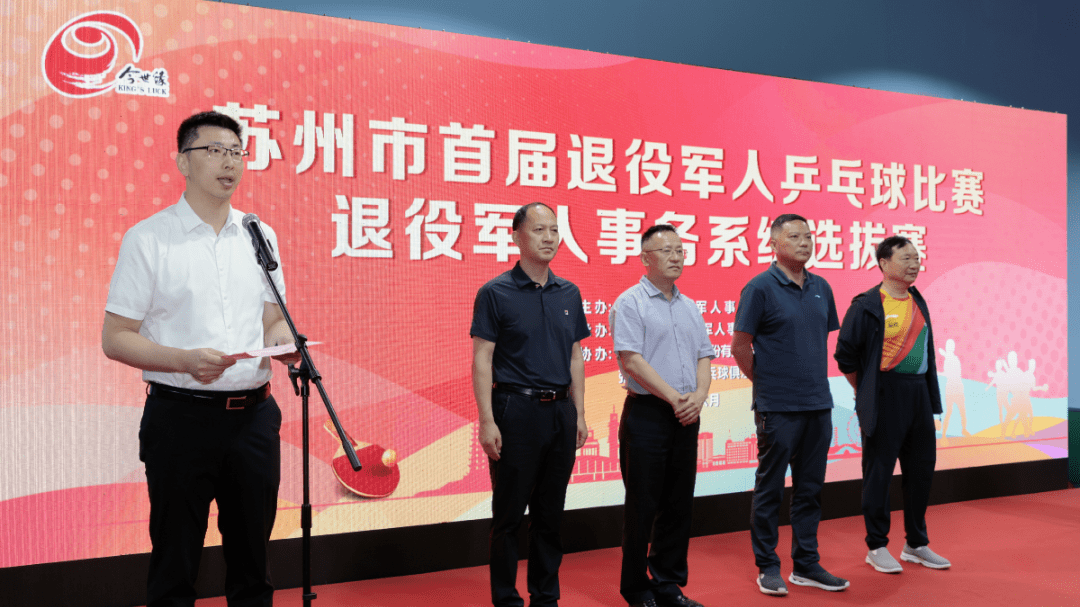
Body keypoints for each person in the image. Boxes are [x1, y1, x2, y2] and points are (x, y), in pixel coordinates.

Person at [102, 111, 299, 607]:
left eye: (236, 152)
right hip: (180, 419)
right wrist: (184, 360)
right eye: (214, 151)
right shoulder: (149, 238)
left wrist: (286, 343)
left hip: (254, 419)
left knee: (253, 565)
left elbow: (272, 318)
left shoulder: (259, 234)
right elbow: (116, 338)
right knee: (175, 562)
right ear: (182, 162)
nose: (229, 162)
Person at [470, 202, 590, 607]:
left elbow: (575, 355)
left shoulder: (569, 292)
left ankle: (545, 597)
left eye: (554, 230)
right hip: (515, 410)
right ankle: (506, 599)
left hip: (561, 411)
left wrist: (579, 412)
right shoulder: (495, 292)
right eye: (539, 230)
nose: (549, 238)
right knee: (508, 517)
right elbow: (482, 358)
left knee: (550, 514)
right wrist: (487, 420)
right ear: (516, 236)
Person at [731, 214, 849, 596]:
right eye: (794, 236)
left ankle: (806, 563)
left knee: (810, 489)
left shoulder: (821, 287)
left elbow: (818, 340)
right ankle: (767, 566)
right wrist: (767, 383)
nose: (804, 242)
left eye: (808, 236)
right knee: (770, 489)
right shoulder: (759, 288)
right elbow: (740, 346)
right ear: (773, 244)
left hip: (818, 403)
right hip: (777, 407)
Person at [609, 224, 714, 607]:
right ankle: (636, 588)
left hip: (686, 416)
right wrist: (674, 398)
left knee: (677, 505)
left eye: (680, 250)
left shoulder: (690, 307)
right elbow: (631, 360)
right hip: (648, 415)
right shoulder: (630, 303)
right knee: (643, 505)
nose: (675, 257)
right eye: (666, 250)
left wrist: (699, 397)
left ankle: (668, 584)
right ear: (645, 258)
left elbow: (704, 356)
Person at [834, 235, 950, 573]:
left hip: (919, 394)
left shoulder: (917, 299)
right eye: (906, 258)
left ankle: (916, 543)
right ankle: (876, 545)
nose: (914, 264)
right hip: (885, 394)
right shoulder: (867, 305)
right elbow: (845, 356)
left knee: (921, 470)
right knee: (879, 473)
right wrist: (866, 390)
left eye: (916, 257)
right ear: (884, 263)